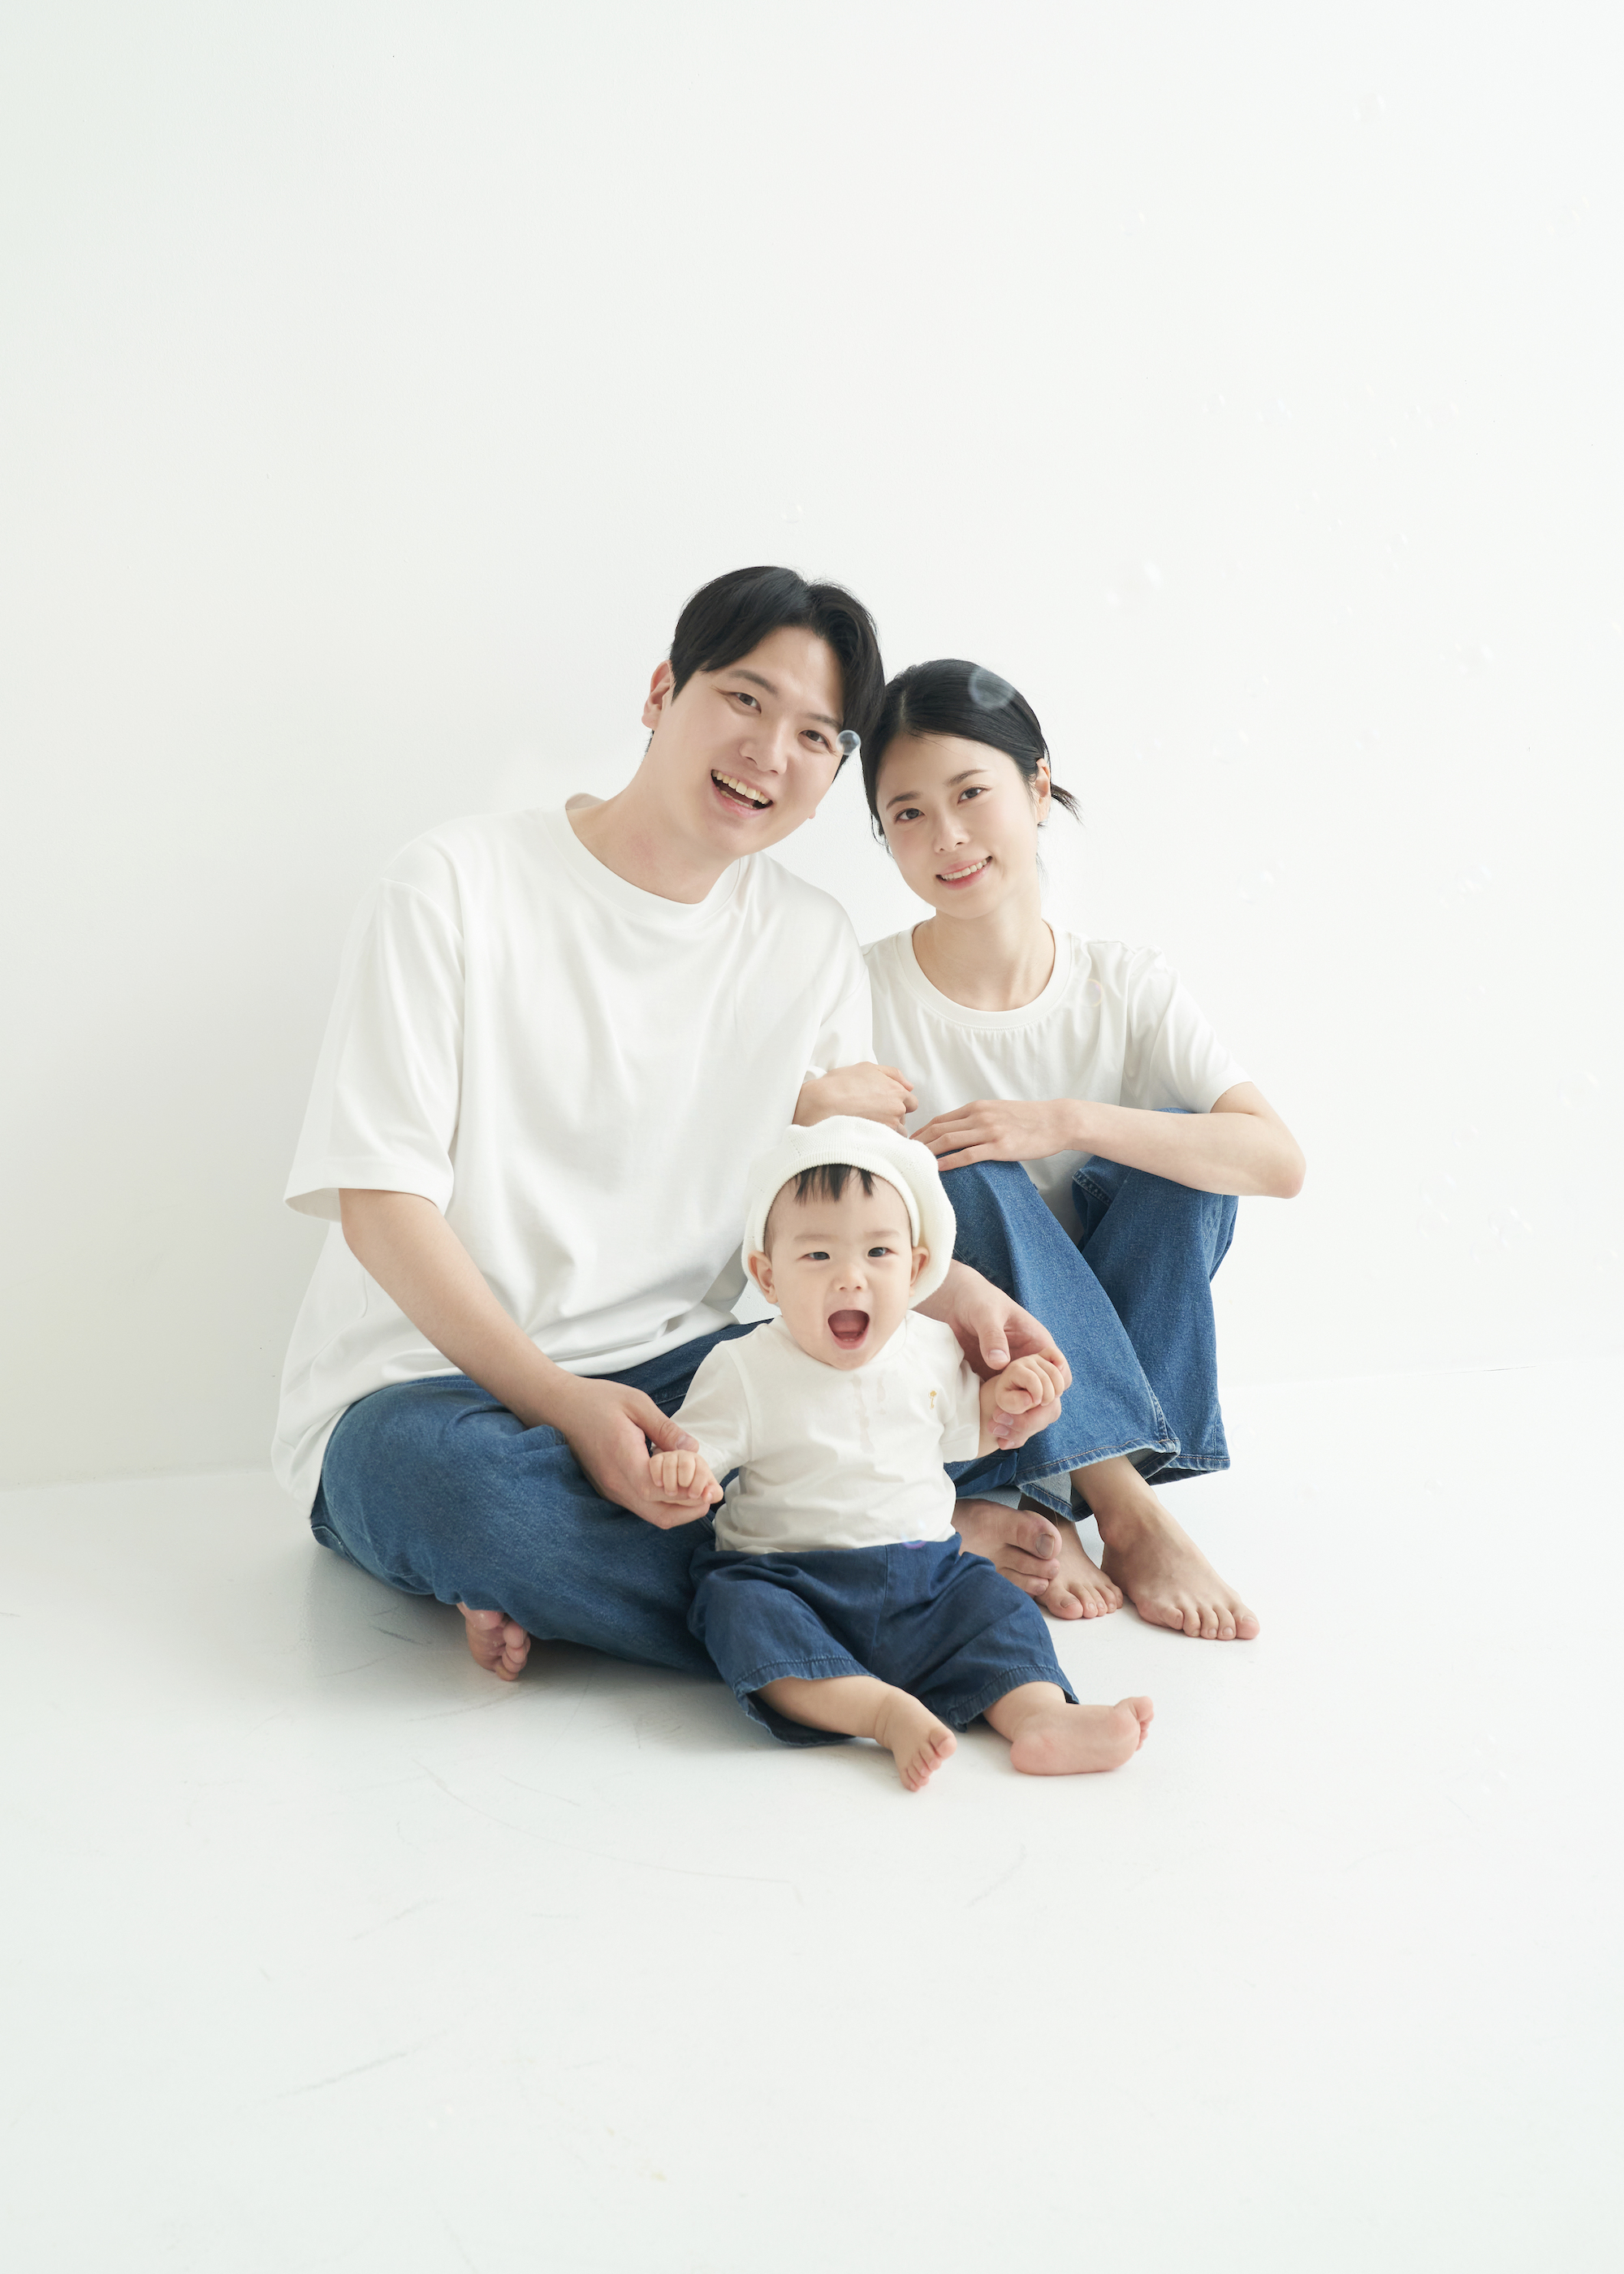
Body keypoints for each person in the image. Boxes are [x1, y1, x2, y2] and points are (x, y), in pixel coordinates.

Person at [273, 569, 1071, 1684]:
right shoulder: (453, 884)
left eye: (814, 736)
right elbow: (380, 1205)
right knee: (469, 1502)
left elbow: (833, 1217)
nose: (769, 753)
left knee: (927, 1369)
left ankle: (634, 1585)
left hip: (685, 1376)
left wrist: (958, 1294)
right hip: (431, 1389)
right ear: (661, 692)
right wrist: (562, 1405)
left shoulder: (806, 940)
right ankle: (890, 1558)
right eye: (744, 699)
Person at [859, 659, 1307, 1641]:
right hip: (962, 1382)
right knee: (952, 1171)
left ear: (1035, 787)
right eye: (907, 814)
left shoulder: (1126, 985)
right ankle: (1122, 1506)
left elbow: (1276, 1161)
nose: (947, 836)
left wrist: (1064, 1120)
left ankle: (1058, 1491)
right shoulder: (863, 996)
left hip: (1110, 1366)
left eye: (970, 793)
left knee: (1183, 1159)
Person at [642, 1118, 1154, 1788]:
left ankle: (1040, 1716)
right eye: (817, 1256)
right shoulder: (743, 1368)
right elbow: (694, 1454)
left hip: (927, 1575)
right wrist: (682, 1470)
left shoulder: (933, 1348)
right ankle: (881, 1711)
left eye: (878, 1253)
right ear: (767, 1277)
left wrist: (1010, 1403)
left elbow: (972, 1433)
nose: (850, 1280)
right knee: (737, 1614)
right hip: (787, 1578)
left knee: (993, 1607)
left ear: (915, 1269)